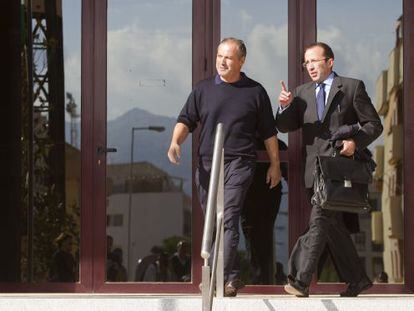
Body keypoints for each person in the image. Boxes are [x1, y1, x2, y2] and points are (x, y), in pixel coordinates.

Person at [167, 37, 281, 296]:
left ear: (241, 61)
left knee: (229, 217)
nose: (222, 61)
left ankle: (224, 278)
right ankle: (223, 275)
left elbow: (268, 133)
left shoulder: (255, 92)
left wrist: (275, 164)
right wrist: (175, 141)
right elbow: (186, 119)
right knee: (212, 221)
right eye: (219, 56)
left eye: (228, 57)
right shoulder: (203, 90)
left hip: (239, 162)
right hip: (208, 163)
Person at [275, 42, 382, 297]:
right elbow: (284, 126)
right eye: (306, 63)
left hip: (340, 169)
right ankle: (357, 279)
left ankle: (299, 281)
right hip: (315, 171)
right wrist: (285, 106)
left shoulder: (352, 87)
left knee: (319, 220)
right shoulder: (301, 93)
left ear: (330, 62)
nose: (310, 66)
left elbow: (374, 125)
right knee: (332, 226)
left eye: (315, 61)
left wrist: (354, 143)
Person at [241, 139, 287, 285]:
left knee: (257, 239)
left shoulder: (245, 143)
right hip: (255, 200)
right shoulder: (279, 145)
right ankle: (263, 279)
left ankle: (262, 279)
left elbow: (290, 174)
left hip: (259, 200)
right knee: (261, 238)